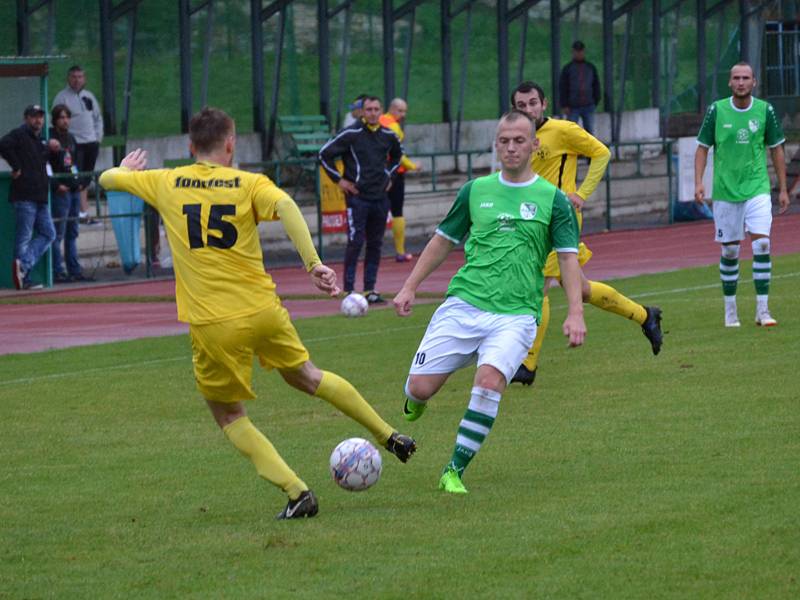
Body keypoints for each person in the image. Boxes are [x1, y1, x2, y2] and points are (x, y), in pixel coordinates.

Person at [98, 107, 416, 520]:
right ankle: (389, 435)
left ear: (190, 147)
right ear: (231, 144)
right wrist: (313, 263)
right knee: (309, 376)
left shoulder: (165, 181)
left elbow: (106, 180)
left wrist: (123, 168)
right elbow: (286, 207)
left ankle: (296, 491)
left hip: (214, 323)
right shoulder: (250, 182)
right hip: (263, 310)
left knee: (228, 414)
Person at [393, 110, 586, 494]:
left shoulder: (555, 201)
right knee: (418, 389)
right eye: (504, 141)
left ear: (534, 146)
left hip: (516, 315)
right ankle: (418, 399)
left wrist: (576, 312)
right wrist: (410, 286)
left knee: (490, 381)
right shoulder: (474, 191)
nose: (511, 148)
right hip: (465, 304)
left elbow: (567, 257)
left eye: (519, 141)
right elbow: (443, 241)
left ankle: (453, 470)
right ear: (495, 145)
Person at [510, 81, 663, 387]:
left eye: (532, 103)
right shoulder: (517, 138)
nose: (527, 109)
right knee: (580, 290)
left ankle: (527, 364)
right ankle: (646, 316)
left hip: (559, 221)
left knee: (538, 286)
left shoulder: (563, 130)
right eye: (521, 105)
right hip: (531, 223)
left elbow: (601, 153)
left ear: (545, 104)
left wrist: (582, 193)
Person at [694, 62, 790, 327]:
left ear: (754, 82)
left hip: (757, 188)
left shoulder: (764, 110)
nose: (740, 82)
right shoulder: (717, 110)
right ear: (729, 83)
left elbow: (777, 149)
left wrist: (781, 188)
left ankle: (763, 310)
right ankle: (731, 311)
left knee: (761, 244)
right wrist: (698, 183)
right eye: (736, 78)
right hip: (725, 192)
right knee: (731, 252)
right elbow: (702, 148)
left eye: (745, 78)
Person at [319, 96, 403, 304]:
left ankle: (369, 289)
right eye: (369, 109)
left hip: (380, 198)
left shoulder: (388, 135)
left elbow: (398, 157)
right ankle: (348, 289)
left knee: (375, 244)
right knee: (355, 242)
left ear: (381, 111)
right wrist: (340, 181)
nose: (373, 113)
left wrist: (390, 177)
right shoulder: (351, 134)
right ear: (362, 112)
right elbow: (323, 155)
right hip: (358, 199)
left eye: (376, 109)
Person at [0, 105, 58, 290]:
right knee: (23, 237)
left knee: (49, 233)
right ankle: (23, 276)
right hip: (25, 195)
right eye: (34, 117)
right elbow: (3, 145)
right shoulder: (19, 134)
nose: (38, 120)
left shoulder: (40, 141)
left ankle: (23, 267)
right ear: (26, 118)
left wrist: (53, 150)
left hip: (40, 196)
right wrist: (16, 166)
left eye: (40, 117)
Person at [52, 65, 103, 223]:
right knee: (76, 177)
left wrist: (97, 138)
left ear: (84, 78)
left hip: (91, 143)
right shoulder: (62, 97)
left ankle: (83, 212)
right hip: (75, 145)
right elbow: (55, 119)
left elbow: (97, 118)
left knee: (86, 178)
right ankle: (78, 213)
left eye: (80, 76)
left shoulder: (89, 96)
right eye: (74, 76)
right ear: (68, 78)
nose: (77, 80)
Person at [48, 104, 92, 283]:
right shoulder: (51, 139)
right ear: (55, 120)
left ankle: (74, 269)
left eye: (67, 117)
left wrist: (79, 182)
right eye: (61, 117)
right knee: (58, 232)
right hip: (61, 192)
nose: (65, 121)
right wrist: (57, 184)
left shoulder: (71, 138)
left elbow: (73, 163)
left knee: (72, 233)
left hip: (73, 189)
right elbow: (47, 166)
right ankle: (57, 270)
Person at [379, 98, 422, 262]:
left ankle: (374, 249)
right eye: (401, 111)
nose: (404, 115)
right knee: (397, 212)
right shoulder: (393, 126)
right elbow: (399, 155)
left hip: (378, 172)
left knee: (378, 210)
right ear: (393, 109)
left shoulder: (379, 121)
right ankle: (400, 251)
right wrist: (413, 166)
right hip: (395, 173)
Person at [559, 41, 601, 135]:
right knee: (571, 132)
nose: (579, 54)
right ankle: (571, 150)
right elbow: (563, 87)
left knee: (590, 133)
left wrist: (595, 101)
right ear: (573, 52)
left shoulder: (590, 68)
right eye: (576, 51)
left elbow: (596, 85)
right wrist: (564, 105)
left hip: (589, 105)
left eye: (580, 51)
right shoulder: (568, 69)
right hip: (572, 107)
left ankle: (589, 150)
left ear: (584, 52)